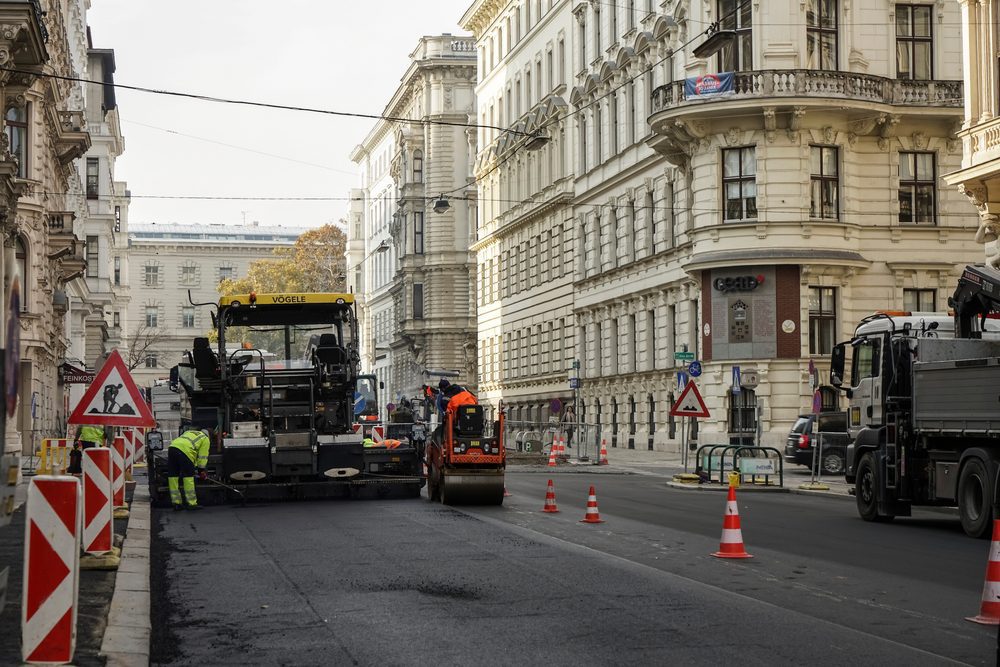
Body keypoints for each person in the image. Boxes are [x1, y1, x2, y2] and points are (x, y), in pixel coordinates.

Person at [168, 428, 211, 511]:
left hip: (172, 448)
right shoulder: (205, 439)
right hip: (185, 451)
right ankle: (191, 503)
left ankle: (176, 503)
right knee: (188, 477)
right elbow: (202, 456)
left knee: (173, 476)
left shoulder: (189, 432)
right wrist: (201, 470)